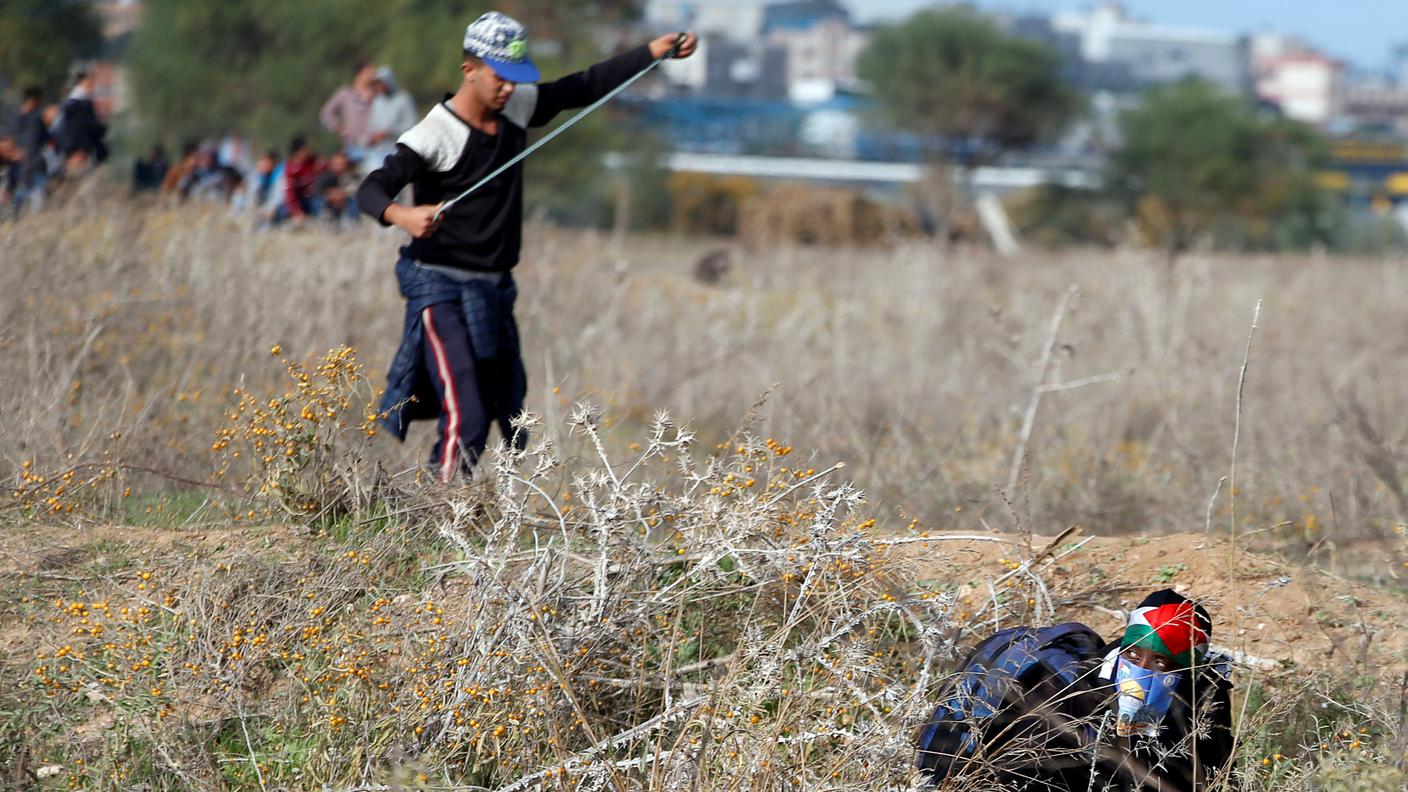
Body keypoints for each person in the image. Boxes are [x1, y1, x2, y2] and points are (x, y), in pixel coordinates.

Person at [356, 12, 696, 481]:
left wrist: (652, 53)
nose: (509, 89)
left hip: (494, 290)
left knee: (505, 410)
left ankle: (449, 513)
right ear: (469, 70)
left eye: (517, 79)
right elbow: (371, 189)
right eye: (500, 77)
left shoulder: (516, 108)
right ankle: (441, 514)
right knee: (468, 416)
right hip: (438, 287)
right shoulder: (434, 134)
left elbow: (583, 86)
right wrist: (403, 216)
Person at [916, 589, 1234, 792]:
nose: (1142, 669)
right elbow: (1022, 772)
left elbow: (1211, 773)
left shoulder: (1203, 695)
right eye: (1134, 655)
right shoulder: (1065, 684)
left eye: (1161, 663)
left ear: (1186, 670)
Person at [364, 65, 420, 174]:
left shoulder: (403, 99)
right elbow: (371, 126)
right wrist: (372, 137)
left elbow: (412, 125)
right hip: (380, 151)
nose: (378, 86)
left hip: (399, 149)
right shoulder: (377, 102)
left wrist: (390, 133)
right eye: (376, 83)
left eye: (380, 83)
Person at [320, 61, 378, 162]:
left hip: (375, 146)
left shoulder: (377, 93)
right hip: (353, 147)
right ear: (359, 74)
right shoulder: (346, 93)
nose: (373, 74)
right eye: (369, 71)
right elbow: (326, 112)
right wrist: (338, 127)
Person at [55, 71, 108, 173]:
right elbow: (84, 125)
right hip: (78, 145)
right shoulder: (80, 103)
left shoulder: (76, 102)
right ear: (82, 81)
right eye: (89, 80)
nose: (92, 83)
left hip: (76, 145)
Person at [11, 87, 49, 211]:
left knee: (36, 195)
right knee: (24, 191)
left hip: (35, 162)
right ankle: (16, 215)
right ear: (32, 100)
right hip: (25, 163)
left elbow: (45, 138)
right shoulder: (33, 119)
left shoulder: (34, 118)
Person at [280, 135, 325, 225]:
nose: (307, 151)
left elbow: (324, 168)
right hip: (298, 201)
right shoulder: (290, 169)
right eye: (304, 149)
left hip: (312, 198)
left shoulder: (312, 162)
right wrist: (296, 211)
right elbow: (289, 193)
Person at [314, 150, 360, 225]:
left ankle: (353, 223)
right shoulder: (325, 176)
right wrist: (332, 195)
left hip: (345, 202)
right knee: (319, 202)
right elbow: (318, 191)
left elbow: (355, 189)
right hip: (328, 203)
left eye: (342, 164)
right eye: (338, 164)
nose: (340, 167)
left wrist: (342, 195)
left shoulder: (352, 175)